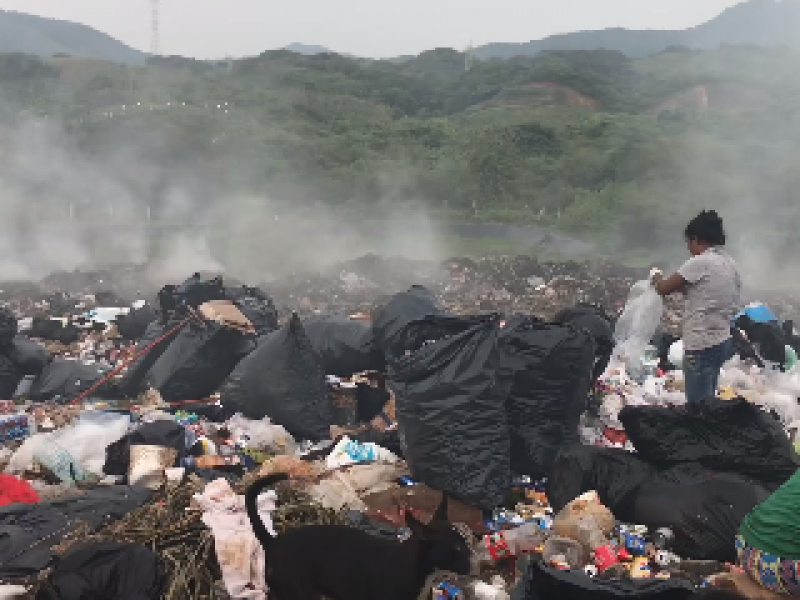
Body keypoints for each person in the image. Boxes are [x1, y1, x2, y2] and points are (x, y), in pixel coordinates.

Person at [650, 210, 741, 404]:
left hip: (701, 345)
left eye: (688, 243)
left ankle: (702, 433)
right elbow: (703, 292)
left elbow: (663, 289)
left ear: (696, 239)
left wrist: (656, 277)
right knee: (708, 399)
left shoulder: (700, 262)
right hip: (722, 341)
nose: (689, 248)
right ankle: (712, 430)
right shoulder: (728, 263)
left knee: (697, 406)